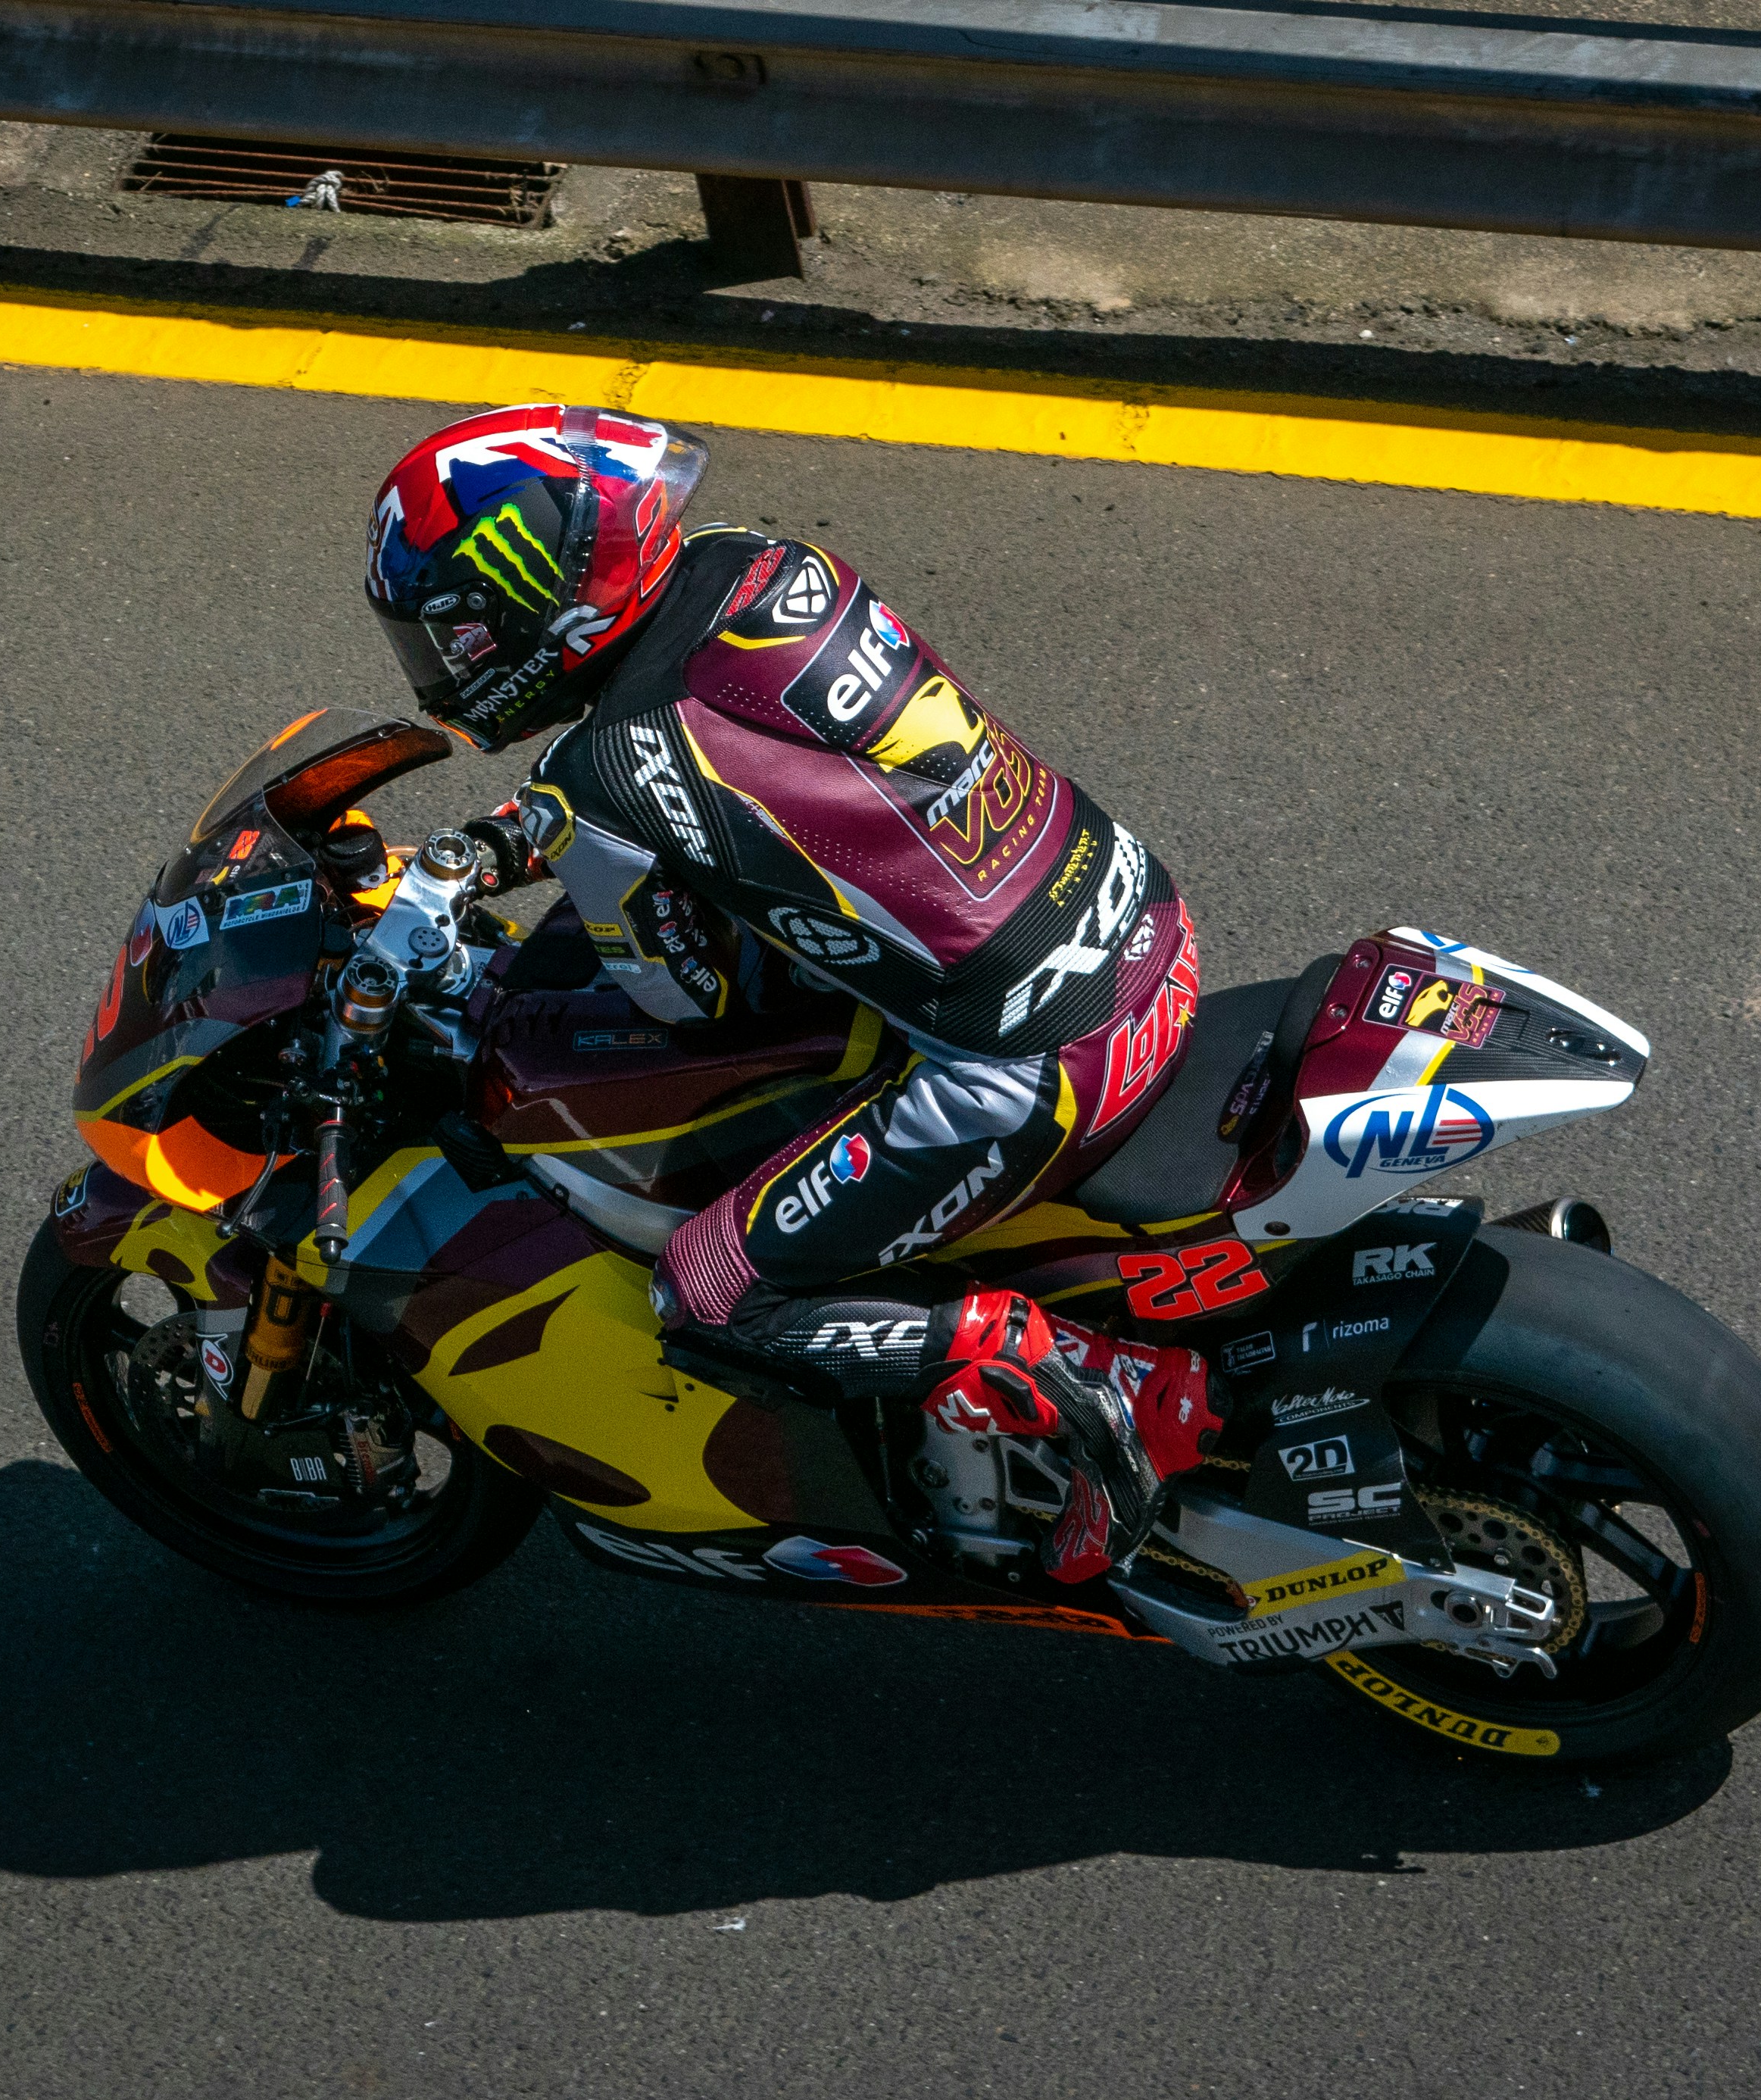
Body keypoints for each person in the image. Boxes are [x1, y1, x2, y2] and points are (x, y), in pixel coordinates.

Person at [363, 402, 1215, 1583]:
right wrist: (525, 836)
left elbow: (691, 1000)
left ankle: (1073, 1381)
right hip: (1134, 920)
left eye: (454, 630)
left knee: (712, 1294)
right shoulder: (762, 568)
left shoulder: (603, 772)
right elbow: (745, 763)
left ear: (534, 595)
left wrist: (566, 846)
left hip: (1034, 1062)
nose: (446, 667)